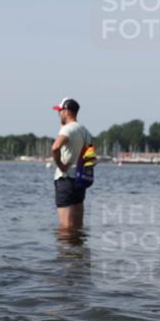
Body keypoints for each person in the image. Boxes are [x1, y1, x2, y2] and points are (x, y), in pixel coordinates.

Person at [50, 97, 91, 230]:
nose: (58, 114)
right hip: (80, 181)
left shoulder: (67, 130)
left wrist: (61, 165)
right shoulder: (85, 131)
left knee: (65, 227)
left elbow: (55, 147)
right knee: (77, 227)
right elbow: (90, 159)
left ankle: (66, 251)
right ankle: (77, 250)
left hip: (66, 179)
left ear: (66, 111)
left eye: (60, 111)